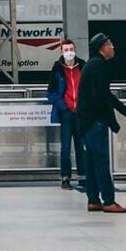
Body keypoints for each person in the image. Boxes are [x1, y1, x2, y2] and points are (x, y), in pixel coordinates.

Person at [73, 34, 126, 214]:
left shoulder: (91, 65)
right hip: (95, 121)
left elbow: (101, 94)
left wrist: (124, 111)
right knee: (101, 161)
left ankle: (93, 200)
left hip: (86, 121)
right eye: (110, 44)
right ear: (102, 48)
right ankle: (109, 200)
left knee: (92, 161)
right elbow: (102, 95)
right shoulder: (99, 66)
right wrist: (120, 112)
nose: (113, 47)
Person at [45, 38, 88, 190]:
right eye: (66, 50)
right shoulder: (57, 69)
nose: (69, 52)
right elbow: (51, 93)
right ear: (61, 51)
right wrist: (63, 106)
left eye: (71, 49)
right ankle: (65, 177)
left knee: (81, 146)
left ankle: (83, 177)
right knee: (65, 147)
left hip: (81, 113)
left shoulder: (83, 66)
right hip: (66, 113)